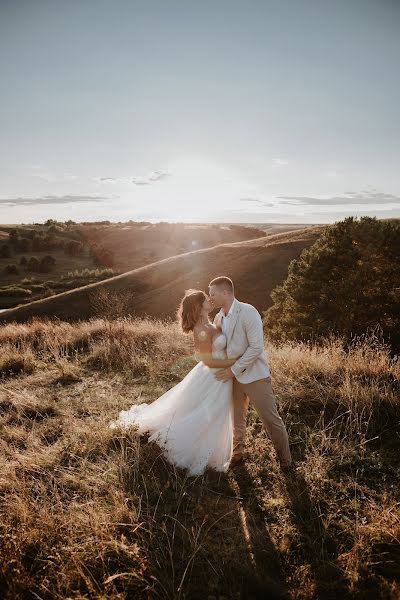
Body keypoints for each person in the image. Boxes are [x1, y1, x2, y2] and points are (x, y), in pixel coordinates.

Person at [109, 289, 235, 476]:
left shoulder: (213, 322)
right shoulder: (201, 329)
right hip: (214, 375)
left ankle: (216, 450)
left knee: (215, 410)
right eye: (205, 299)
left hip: (220, 374)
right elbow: (207, 360)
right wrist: (233, 364)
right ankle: (196, 448)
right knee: (211, 411)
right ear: (199, 307)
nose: (210, 300)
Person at [208, 276, 292, 470]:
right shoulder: (218, 317)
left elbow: (256, 347)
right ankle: (237, 456)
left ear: (225, 293)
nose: (210, 298)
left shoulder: (248, 311)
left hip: (255, 376)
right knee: (236, 419)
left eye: (213, 294)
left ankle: (286, 462)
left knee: (271, 421)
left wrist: (233, 370)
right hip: (232, 380)